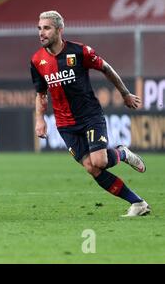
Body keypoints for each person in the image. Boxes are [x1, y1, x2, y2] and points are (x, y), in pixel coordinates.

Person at [30, 11, 150, 217]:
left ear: (60, 30)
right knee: (91, 167)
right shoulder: (36, 61)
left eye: (47, 28)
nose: (41, 33)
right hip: (65, 125)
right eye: (39, 28)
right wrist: (40, 120)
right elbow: (41, 94)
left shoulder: (79, 51)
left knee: (100, 161)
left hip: (90, 117)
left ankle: (122, 153)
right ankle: (138, 204)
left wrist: (125, 93)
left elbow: (106, 68)